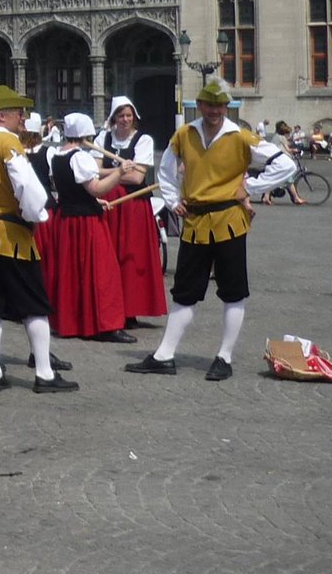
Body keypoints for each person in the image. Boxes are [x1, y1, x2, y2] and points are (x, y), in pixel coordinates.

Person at [126, 80, 296, 381]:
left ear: (226, 107)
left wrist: (248, 187)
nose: (214, 111)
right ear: (201, 106)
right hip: (195, 222)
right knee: (184, 292)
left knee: (233, 291)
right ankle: (164, 355)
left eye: (219, 106)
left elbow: (285, 165)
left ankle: (224, 357)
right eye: (209, 105)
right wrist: (172, 198)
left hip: (229, 221)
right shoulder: (184, 134)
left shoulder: (241, 137)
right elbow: (165, 168)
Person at [0, 85, 78, 393]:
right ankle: (44, 373)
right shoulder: (8, 144)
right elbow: (27, 187)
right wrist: (36, 215)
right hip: (12, 233)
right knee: (35, 304)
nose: (23, 119)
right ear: (1, 115)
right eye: (18, 113)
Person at [47, 114, 134, 343]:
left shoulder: (57, 155)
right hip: (86, 224)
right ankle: (106, 326)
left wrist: (95, 203)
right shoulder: (79, 158)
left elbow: (76, 192)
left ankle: (74, 322)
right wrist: (119, 172)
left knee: (73, 274)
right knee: (102, 272)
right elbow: (95, 188)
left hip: (67, 221)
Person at [94, 96, 167, 327]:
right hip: (106, 202)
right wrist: (118, 171)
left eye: (129, 115)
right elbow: (93, 170)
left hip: (133, 206)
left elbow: (137, 177)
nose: (125, 120)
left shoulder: (143, 140)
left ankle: (131, 310)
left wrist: (108, 171)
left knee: (131, 257)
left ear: (134, 117)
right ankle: (107, 307)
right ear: (114, 117)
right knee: (107, 256)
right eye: (121, 115)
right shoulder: (102, 138)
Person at [267, 124, 308, 206]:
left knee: (276, 179)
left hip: (273, 158)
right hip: (278, 161)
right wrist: (296, 150)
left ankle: (267, 196)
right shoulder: (281, 137)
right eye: (288, 133)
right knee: (288, 179)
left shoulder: (277, 136)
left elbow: (284, 146)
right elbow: (288, 149)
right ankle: (296, 198)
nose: (289, 135)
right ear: (285, 133)